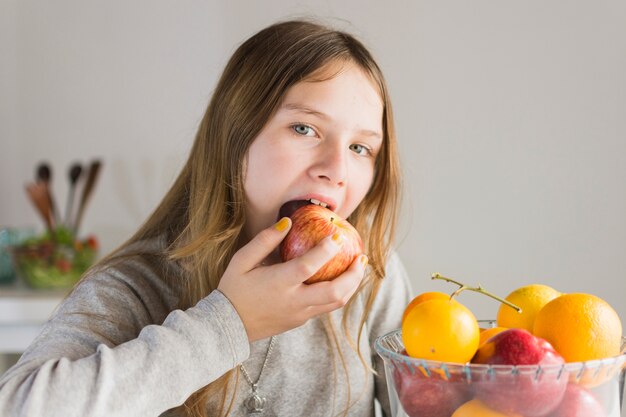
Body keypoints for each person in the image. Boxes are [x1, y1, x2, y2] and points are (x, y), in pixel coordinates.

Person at [0, 19, 411, 416]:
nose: (336, 170)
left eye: (360, 148)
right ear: (235, 134)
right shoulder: (139, 285)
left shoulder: (372, 277)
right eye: (305, 129)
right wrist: (229, 322)